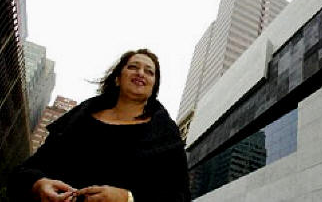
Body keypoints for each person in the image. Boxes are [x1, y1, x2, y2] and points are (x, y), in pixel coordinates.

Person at [8, 49, 191, 202]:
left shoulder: (166, 137)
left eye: (149, 71)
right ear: (118, 78)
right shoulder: (78, 119)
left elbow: (179, 196)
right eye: (133, 67)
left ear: (153, 86)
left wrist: (127, 198)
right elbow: (26, 170)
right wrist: (38, 183)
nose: (140, 73)